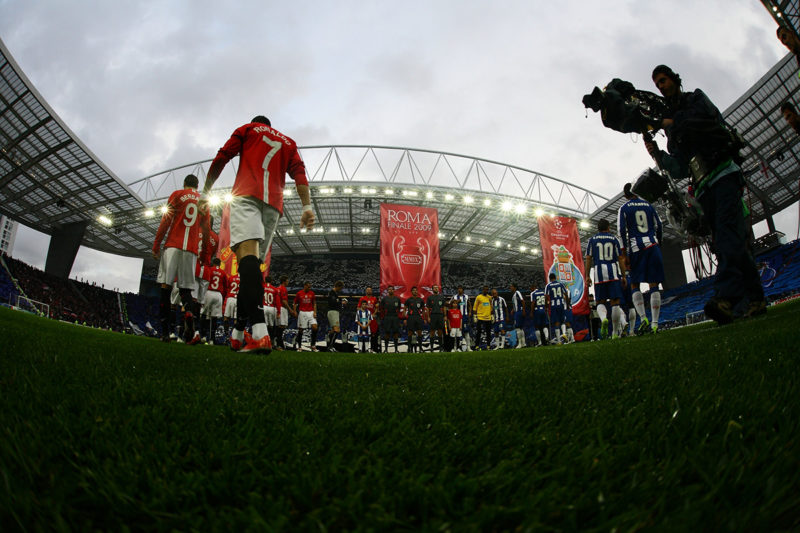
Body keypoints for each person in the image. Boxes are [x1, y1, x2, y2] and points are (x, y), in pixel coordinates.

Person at [644, 65, 766, 324]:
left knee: (726, 235)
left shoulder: (695, 99)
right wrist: (658, 155)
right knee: (727, 239)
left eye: (663, 80)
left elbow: (708, 119)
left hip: (724, 174)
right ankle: (756, 299)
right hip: (703, 187)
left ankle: (725, 297)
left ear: (675, 79)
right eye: (657, 84)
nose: (661, 87)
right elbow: (678, 168)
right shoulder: (672, 130)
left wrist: (672, 122)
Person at [202, 116, 313, 354]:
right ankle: (238, 333)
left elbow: (223, 156)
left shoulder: (247, 129)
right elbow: (300, 173)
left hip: (247, 197)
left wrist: (207, 190)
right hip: (273, 206)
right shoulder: (288, 142)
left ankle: (261, 333)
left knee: (248, 264)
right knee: (249, 270)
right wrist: (307, 207)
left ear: (257, 122)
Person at [152, 174, 203, 344]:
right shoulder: (203, 200)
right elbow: (207, 228)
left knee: (166, 288)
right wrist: (204, 253)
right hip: (191, 249)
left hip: (173, 245)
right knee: (186, 290)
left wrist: (156, 244)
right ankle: (188, 312)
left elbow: (166, 220)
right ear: (197, 186)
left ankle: (165, 333)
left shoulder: (177, 194)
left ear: (184, 184)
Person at [617, 183, 664, 334]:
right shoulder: (648, 205)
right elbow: (659, 225)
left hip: (636, 249)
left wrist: (624, 255)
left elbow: (621, 232)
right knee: (653, 283)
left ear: (625, 196)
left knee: (635, 284)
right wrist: (658, 243)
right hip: (652, 245)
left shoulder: (624, 208)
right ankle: (655, 324)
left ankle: (643, 318)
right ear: (636, 192)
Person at [584, 219, 627, 339]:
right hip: (613, 273)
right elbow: (620, 259)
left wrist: (587, 276)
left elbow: (588, 258)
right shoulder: (614, 239)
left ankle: (603, 319)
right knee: (615, 303)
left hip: (599, 274)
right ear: (608, 227)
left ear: (598, 228)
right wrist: (623, 276)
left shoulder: (592, 240)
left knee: (600, 302)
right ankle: (614, 333)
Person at [202, 257, 227, 344]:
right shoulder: (223, 272)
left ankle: (203, 336)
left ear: (213, 263)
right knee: (214, 317)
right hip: (218, 294)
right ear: (220, 264)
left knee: (204, 314)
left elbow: (205, 281)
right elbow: (225, 287)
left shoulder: (210, 269)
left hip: (209, 292)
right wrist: (222, 297)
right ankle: (212, 339)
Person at [293, 281, 318, 351]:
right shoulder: (299, 293)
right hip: (302, 312)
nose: (309, 288)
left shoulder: (312, 293)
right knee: (301, 330)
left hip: (310, 312)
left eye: (310, 287)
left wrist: (315, 312)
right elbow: (295, 303)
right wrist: (294, 311)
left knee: (315, 327)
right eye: (308, 287)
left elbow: (314, 303)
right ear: (305, 286)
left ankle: (313, 345)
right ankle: (299, 346)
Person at [545, 273, 569, 344]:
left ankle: (558, 341)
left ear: (549, 278)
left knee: (556, 322)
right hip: (561, 304)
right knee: (562, 320)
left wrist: (546, 306)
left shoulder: (548, 285)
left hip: (553, 305)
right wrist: (567, 304)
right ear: (555, 277)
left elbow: (546, 296)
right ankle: (564, 333)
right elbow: (566, 294)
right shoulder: (561, 284)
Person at [380, 286, 402, 353]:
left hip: (395, 317)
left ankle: (396, 350)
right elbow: (382, 309)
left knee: (395, 333)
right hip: (387, 317)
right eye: (389, 289)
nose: (391, 290)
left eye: (392, 289)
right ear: (387, 291)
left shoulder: (397, 299)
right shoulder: (384, 299)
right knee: (387, 333)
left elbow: (399, 308)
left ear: (394, 290)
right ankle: (386, 349)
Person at [426, 284, 447, 352]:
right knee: (432, 331)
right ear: (432, 289)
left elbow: (444, 307)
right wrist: (428, 317)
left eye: (437, 288)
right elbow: (427, 308)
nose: (436, 289)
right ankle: (431, 347)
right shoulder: (429, 298)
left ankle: (440, 347)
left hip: (440, 315)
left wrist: (445, 315)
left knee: (440, 331)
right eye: (434, 288)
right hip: (433, 316)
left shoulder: (441, 298)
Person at [404, 286, 425, 353]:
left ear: (417, 291)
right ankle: (409, 348)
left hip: (418, 317)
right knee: (410, 333)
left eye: (416, 290)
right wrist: (405, 318)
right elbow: (404, 309)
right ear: (411, 292)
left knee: (419, 333)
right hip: (411, 317)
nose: (415, 291)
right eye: (413, 290)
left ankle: (420, 348)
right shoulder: (408, 300)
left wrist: (424, 318)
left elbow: (423, 310)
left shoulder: (420, 300)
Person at [326, 280, 346, 350]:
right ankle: (331, 346)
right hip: (333, 312)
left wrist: (340, 302)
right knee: (337, 330)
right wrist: (341, 302)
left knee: (333, 330)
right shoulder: (331, 293)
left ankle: (330, 344)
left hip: (335, 312)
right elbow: (333, 302)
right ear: (338, 286)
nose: (341, 289)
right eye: (341, 288)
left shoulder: (335, 293)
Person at [263, 276, 282, 345]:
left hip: (264, 307)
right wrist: (279, 312)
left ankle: (264, 340)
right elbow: (278, 302)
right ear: (271, 281)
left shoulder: (262, 287)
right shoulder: (274, 289)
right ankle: (271, 341)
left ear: (265, 280)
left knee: (264, 325)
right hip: (271, 308)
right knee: (271, 326)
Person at [452, 286, 472, 351]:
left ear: (463, 290)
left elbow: (469, 305)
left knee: (466, 332)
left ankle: (468, 347)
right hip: (457, 317)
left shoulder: (466, 296)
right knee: (456, 333)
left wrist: (470, 312)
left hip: (464, 316)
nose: (459, 290)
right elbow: (450, 304)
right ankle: (456, 347)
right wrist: (457, 301)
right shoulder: (454, 297)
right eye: (458, 288)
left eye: (460, 289)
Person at [473, 286, 493, 350]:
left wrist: (492, 315)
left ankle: (488, 346)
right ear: (482, 290)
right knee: (478, 332)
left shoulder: (489, 297)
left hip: (488, 318)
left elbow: (491, 307)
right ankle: (476, 346)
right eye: (485, 290)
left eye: (487, 290)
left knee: (488, 332)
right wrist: (475, 316)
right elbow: (475, 307)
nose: (486, 291)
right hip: (480, 317)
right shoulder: (478, 297)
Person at [223, 272, 240, 342]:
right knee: (236, 319)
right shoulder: (244, 279)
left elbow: (228, 287)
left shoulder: (231, 277)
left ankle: (226, 336)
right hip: (238, 299)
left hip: (230, 298)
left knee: (226, 317)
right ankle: (233, 337)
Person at [277, 275, 293, 350]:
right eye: (287, 281)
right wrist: (290, 309)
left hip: (277, 308)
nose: (288, 282)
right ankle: (279, 344)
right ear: (284, 281)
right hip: (282, 308)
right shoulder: (283, 289)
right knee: (281, 326)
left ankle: (278, 343)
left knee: (280, 326)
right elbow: (284, 301)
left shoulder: (278, 288)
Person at [509, 283, 527, 348]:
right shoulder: (514, 295)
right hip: (517, 311)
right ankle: (523, 343)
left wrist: (524, 310)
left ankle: (519, 343)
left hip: (519, 312)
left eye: (511, 286)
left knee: (517, 328)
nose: (510, 288)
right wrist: (513, 310)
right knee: (521, 328)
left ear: (514, 287)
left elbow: (522, 301)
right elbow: (516, 304)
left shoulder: (517, 292)